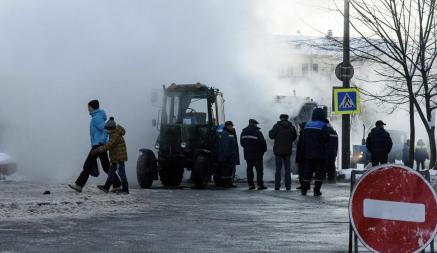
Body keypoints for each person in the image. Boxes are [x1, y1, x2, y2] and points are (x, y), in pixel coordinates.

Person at [69, 100, 121, 193]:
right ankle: (117, 185)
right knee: (106, 167)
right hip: (99, 144)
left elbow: (105, 129)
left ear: (92, 107)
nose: (87, 109)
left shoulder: (96, 118)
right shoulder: (98, 116)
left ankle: (79, 185)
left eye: (88, 107)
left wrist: (100, 142)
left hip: (97, 145)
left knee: (87, 165)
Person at [93, 117, 129, 194]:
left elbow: (109, 145)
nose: (106, 130)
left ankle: (125, 189)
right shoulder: (113, 133)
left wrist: (98, 149)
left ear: (111, 128)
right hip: (115, 158)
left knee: (121, 173)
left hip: (119, 158)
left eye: (107, 129)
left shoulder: (115, 135)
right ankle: (106, 187)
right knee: (111, 172)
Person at [301, 108, 330, 196]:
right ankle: (316, 191)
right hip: (320, 154)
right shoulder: (323, 125)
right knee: (319, 172)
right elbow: (326, 138)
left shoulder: (307, 125)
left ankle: (304, 189)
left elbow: (302, 140)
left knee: (308, 171)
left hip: (308, 153)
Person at [269, 114, 297, 191]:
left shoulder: (276, 126)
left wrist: (271, 132)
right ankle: (288, 186)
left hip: (278, 151)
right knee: (287, 169)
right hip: (288, 151)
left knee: (278, 169)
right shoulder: (292, 127)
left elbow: (271, 135)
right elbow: (294, 137)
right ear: (287, 119)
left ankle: (277, 186)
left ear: (280, 118)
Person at [240, 119, 267, 190]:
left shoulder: (243, 132)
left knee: (249, 169)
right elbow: (263, 143)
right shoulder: (257, 132)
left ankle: (251, 185)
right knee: (259, 170)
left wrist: (247, 148)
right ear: (255, 124)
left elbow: (242, 143)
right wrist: (263, 151)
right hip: (257, 154)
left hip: (247, 154)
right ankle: (260, 185)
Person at [218, 121, 239, 188]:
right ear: (227, 126)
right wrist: (227, 155)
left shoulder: (229, 133)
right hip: (226, 156)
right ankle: (225, 183)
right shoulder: (225, 133)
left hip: (230, 156)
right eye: (230, 126)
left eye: (232, 126)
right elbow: (225, 146)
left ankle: (229, 183)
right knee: (225, 171)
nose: (232, 127)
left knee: (229, 170)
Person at [295, 122, 306, 190]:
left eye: (300, 127)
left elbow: (301, 147)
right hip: (305, 156)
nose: (298, 128)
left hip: (302, 156)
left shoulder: (303, 134)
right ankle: (304, 184)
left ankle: (303, 184)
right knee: (304, 171)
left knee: (302, 171)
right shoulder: (305, 134)